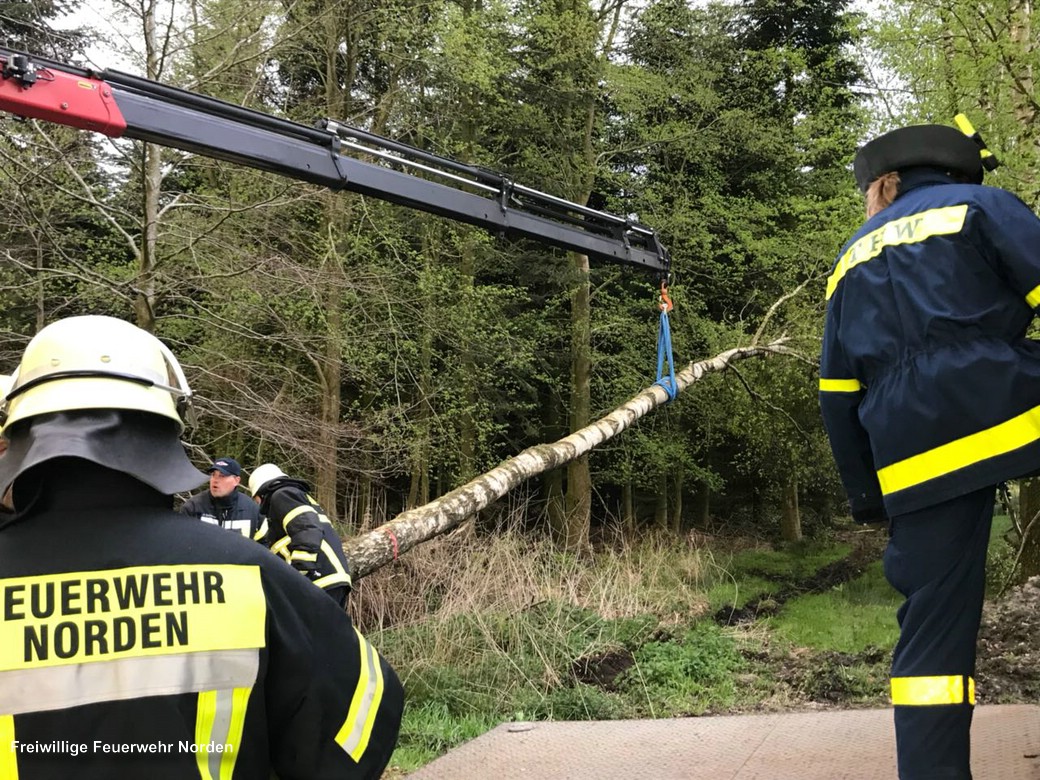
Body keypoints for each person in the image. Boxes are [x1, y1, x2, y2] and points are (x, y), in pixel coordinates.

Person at [0, 315, 403, 778]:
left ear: (19, 438)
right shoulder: (250, 576)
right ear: (164, 435)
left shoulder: (256, 531)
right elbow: (361, 724)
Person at [819, 122, 1040, 779]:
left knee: (930, 646)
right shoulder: (983, 208)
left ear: (882, 186)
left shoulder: (848, 260)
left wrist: (869, 496)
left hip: (916, 457)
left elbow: (837, 394)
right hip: (1016, 411)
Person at [248, 463, 353, 607]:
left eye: (255, 499)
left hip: (318, 580)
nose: (256, 503)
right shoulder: (295, 496)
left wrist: (298, 575)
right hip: (328, 579)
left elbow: (307, 529)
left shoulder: (282, 496)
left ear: (260, 492)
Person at [180, 456, 267, 542]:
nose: (215, 480)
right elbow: (181, 542)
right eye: (213, 475)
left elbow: (264, 544)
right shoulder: (193, 507)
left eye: (222, 476)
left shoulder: (252, 510)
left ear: (236, 481)